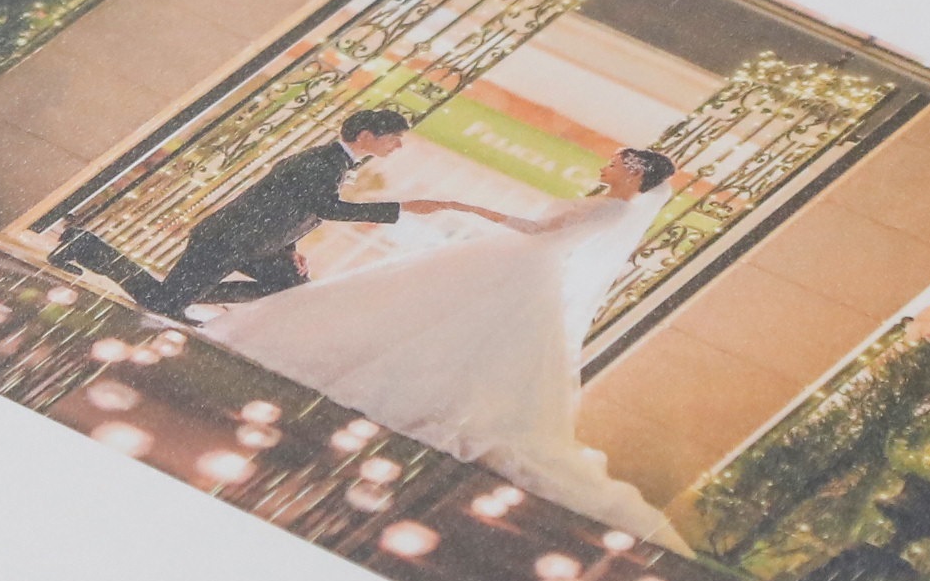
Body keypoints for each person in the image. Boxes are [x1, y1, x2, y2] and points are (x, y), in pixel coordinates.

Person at [197, 145, 690, 550]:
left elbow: (542, 233)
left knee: (450, 322)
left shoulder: (611, 209)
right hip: (514, 263)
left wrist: (478, 211)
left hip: (519, 266)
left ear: (634, 171)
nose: (605, 165)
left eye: (615, 161)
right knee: (429, 312)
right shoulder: (606, 205)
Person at [130, 108, 419, 318]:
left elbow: (289, 206)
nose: (398, 146)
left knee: (291, 287)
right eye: (394, 138)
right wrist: (402, 207)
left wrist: (290, 249)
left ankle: (185, 294)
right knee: (163, 303)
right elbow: (327, 208)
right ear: (366, 136)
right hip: (228, 239)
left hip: (253, 243)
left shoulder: (332, 162)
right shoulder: (325, 162)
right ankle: (110, 259)